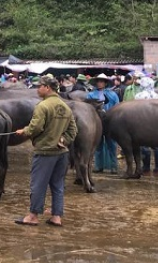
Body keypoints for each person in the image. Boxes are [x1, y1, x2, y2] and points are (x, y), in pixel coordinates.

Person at [14, 76, 77, 227]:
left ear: (47, 88)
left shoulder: (42, 106)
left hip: (45, 152)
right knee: (57, 185)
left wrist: (24, 130)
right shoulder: (65, 107)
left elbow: (35, 127)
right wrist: (63, 141)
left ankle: (33, 216)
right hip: (61, 154)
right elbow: (73, 131)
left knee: (38, 184)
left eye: (40, 86)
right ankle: (56, 216)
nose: (38, 89)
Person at [88, 74, 120, 174]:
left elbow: (117, 107)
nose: (99, 83)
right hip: (97, 122)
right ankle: (98, 166)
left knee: (112, 145)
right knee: (98, 145)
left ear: (105, 83)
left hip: (110, 122)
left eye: (102, 81)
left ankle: (113, 166)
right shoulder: (91, 95)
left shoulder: (113, 95)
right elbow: (88, 108)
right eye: (98, 81)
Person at [135, 77, 158, 174]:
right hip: (157, 124)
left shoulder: (138, 96)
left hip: (143, 124)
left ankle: (146, 167)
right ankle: (157, 167)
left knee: (144, 146)